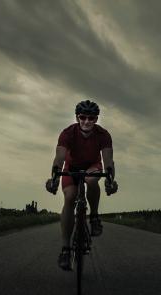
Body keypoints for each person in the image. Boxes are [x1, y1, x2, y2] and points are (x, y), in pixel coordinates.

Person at [45, 100, 118, 271]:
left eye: (91, 118)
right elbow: (59, 158)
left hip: (93, 166)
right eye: (83, 117)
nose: (86, 121)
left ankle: (93, 217)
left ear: (96, 119)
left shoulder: (103, 135)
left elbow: (108, 161)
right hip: (71, 168)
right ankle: (65, 250)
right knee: (69, 198)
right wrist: (54, 178)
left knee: (92, 180)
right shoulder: (68, 133)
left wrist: (110, 180)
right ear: (77, 117)